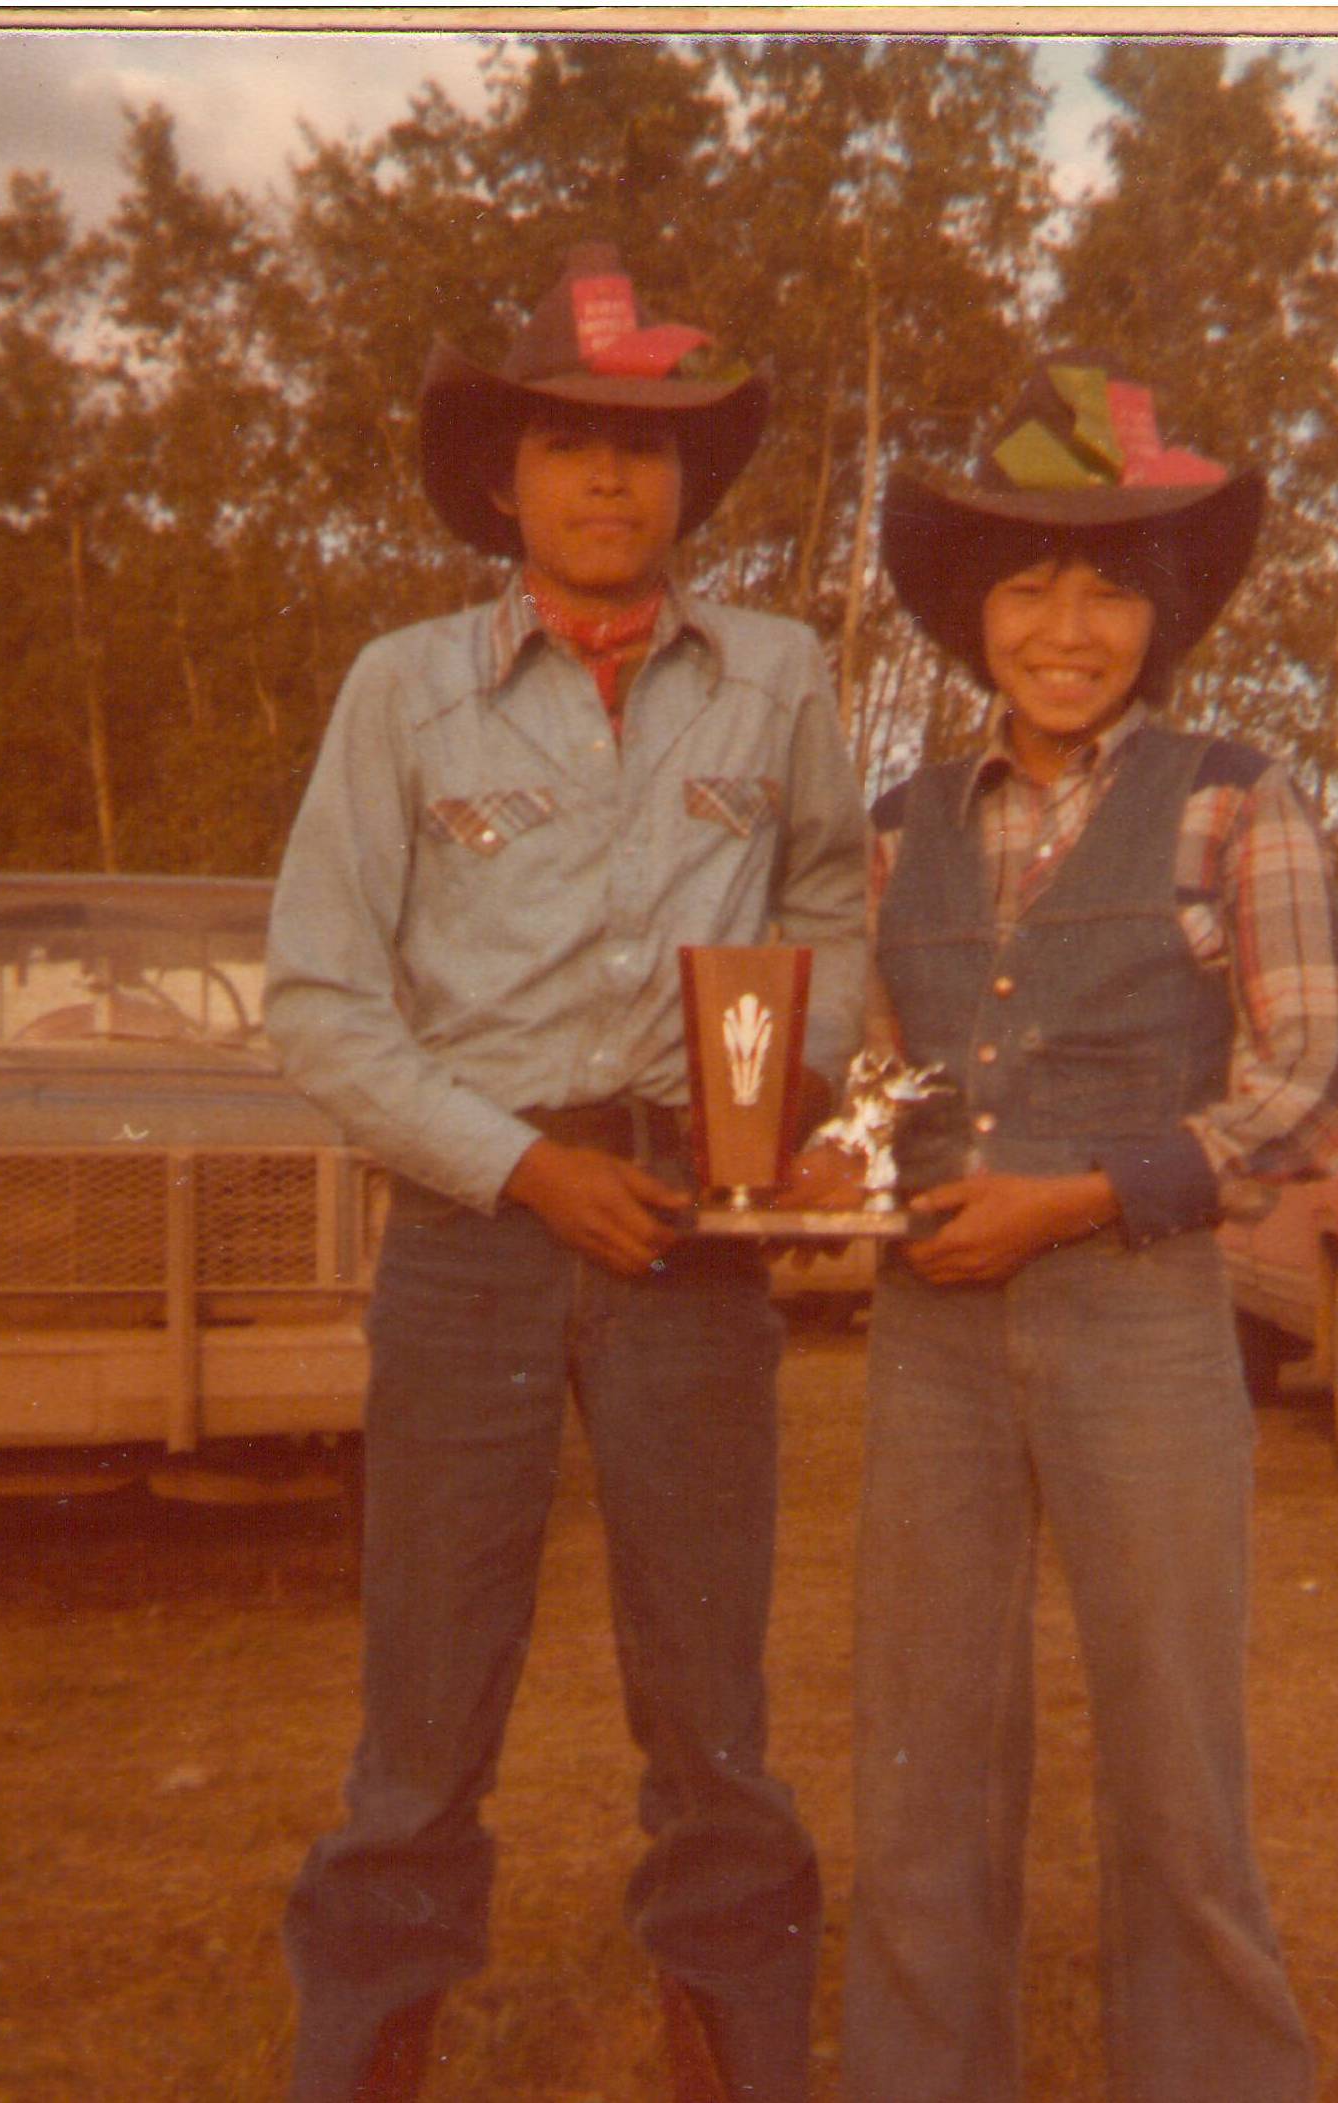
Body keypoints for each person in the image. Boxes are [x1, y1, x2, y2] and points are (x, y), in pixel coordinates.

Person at [264, 243, 867, 2103]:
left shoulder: (774, 677)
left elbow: (833, 898)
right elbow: (318, 1001)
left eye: (651, 446)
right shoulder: (404, 690)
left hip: (697, 1236)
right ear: (503, 480)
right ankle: (369, 2052)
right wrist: (526, 1174)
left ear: (690, 481)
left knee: (713, 1712)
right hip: (475, 1247)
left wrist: (786, 1083)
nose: (612, 480)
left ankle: (736, 2047)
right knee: (426, 1715)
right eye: (569, 445)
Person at [831, 361, 1338, 2103]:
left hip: (1140, 1318)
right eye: (1029, 584)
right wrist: (853, 1169)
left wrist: (1077, 1196)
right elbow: (871, 1077)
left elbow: (1313, 1089)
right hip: (932, 1337)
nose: (1069, 625)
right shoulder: (896, 828)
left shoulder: (1234, 800)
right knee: (924, 1764)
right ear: (973, 613)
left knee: (1175, 1768)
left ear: (1162, 612)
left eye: (1111, 586)